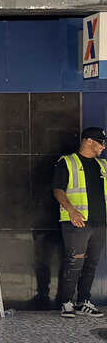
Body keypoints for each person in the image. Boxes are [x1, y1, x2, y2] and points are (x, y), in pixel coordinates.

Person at [52, 127, 107, 318]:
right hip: (77, 223)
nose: (103, 147)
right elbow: (58, 190)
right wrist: (71, 210)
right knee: (74, 262)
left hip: (101, 223)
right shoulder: (67, 162)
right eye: (101, 142)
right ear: (89, 141)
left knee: (91, 264)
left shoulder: (103, 165)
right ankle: (66, 302)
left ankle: (84, 302)